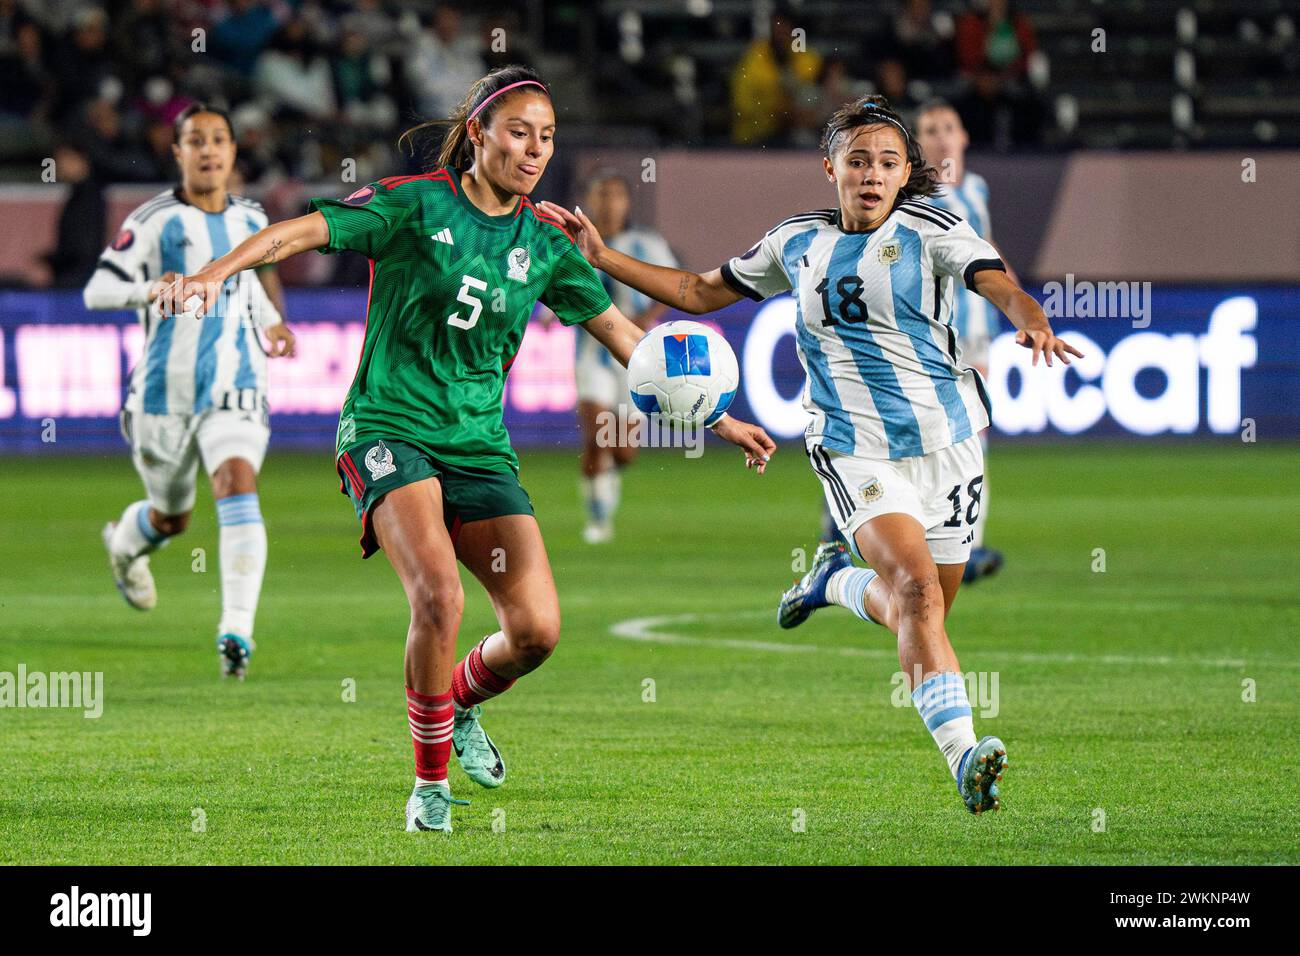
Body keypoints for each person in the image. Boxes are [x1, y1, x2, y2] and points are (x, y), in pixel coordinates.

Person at [155, 66, 775, 833]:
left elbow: (622, 336)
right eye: (519, 133)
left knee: (537, 632)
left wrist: (716, 417)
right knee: (440, 596)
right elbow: (302, 232)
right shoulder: (414, 203)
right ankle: (429, 787)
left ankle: (461, 702)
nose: (535, 150)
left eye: (547, 138)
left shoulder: (545, 243)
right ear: (478, 134)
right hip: (389, 429)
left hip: (478, 447)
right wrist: (216, 274)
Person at [539, 96, 1081, 815]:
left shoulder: (935, 228)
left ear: (905, 173)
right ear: (831, 167)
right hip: (853, 445)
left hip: (949, 442)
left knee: (921, 612)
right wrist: (604, 258)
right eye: (858, 160)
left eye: (888, 163)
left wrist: (1033, 320)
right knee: (918, 594)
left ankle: (830, 582)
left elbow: (998, 283)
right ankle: (964, 755)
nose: (872, 174)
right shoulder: (796, 242)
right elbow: (700, 291)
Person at [84, 103, 297, 679]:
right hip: (163, 396)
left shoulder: (252, 219)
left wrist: (273, 322)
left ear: (233, 152)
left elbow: (253, 281)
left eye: (218, 140)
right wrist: (156, 287)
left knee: (236, 480)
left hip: (236, 386)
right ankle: (124, 546)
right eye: (195, 141)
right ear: (176, 152)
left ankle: (236, 632)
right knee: (172, 517)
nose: (208, 150)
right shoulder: (154, 221)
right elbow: (98, 292)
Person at [916, 99, 1004, 583]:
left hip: (977, 334)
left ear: (964, 136)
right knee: (939, 434)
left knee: (972, 432)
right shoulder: (915, 198)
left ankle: (965, 540)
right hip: (935, 334)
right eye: (930, 129)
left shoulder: (976, 189)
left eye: (949, 126)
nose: (942, 137)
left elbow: (986, 251)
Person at [571, 170, 677, 543]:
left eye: (616, 195)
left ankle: (609, 480)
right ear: (590, 200)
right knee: (596, 435)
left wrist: (644, 318)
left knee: (624, 450)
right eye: (602, 194)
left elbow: (671, 286)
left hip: (635, 357)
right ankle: (597, 520)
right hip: (592, 355)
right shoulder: (572, 245)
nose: (609, 202)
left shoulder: (644, 243)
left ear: (626, 203)